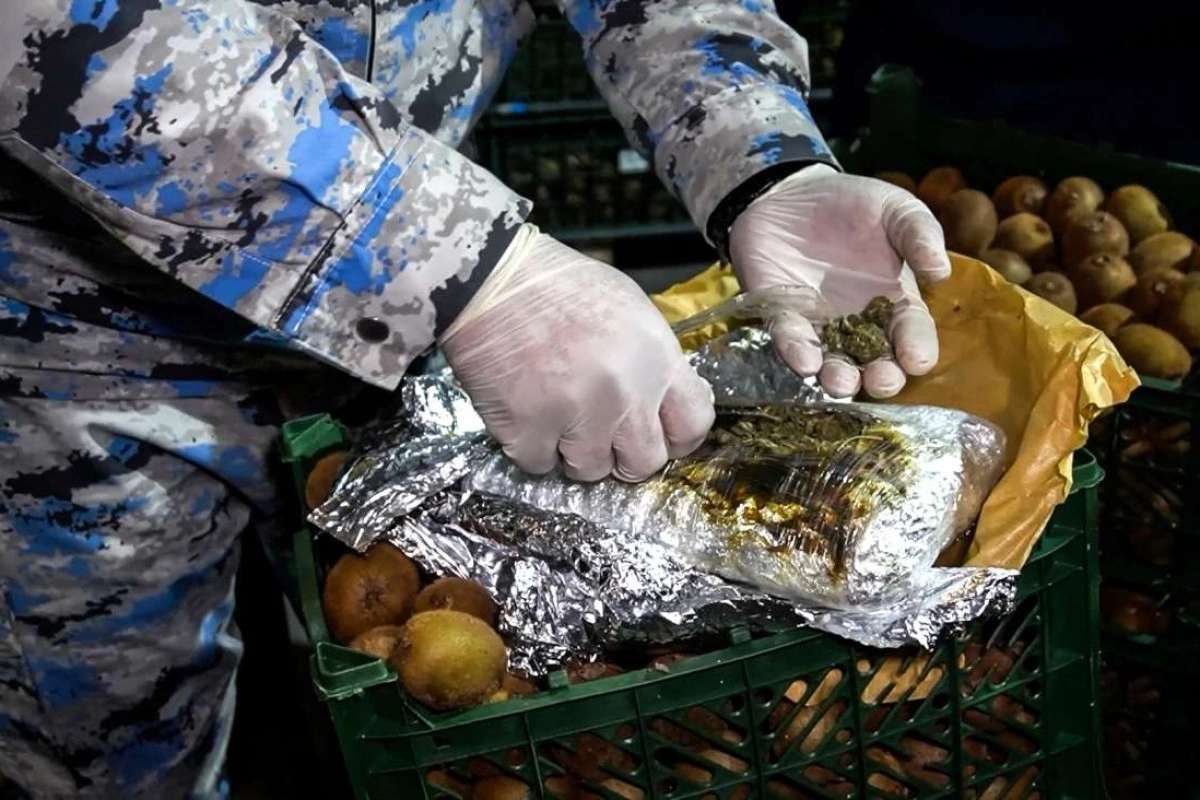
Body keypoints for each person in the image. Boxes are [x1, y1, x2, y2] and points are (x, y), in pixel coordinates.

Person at [0, 0, 947, 796]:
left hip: (398, 338)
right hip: (73, 334)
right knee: (103, 751)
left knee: (467, 726)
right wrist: (457, 261)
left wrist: (759, 157)